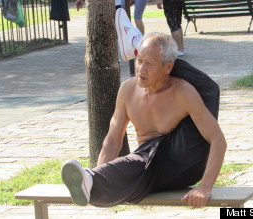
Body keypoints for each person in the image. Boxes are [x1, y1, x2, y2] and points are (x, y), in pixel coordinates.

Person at [62, 29, 227, 208]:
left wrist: (205, 187)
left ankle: (91, 181)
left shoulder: (182, 92)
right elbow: (113, 140)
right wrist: (100, 172)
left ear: (168, 67)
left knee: (145, 154)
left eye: (149, 63)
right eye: (139, 60)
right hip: (148, 168)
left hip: (184, 164)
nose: (141, 68)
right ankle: (93, 183)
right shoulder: (128, 90)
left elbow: (218, 139)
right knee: (137, 162)